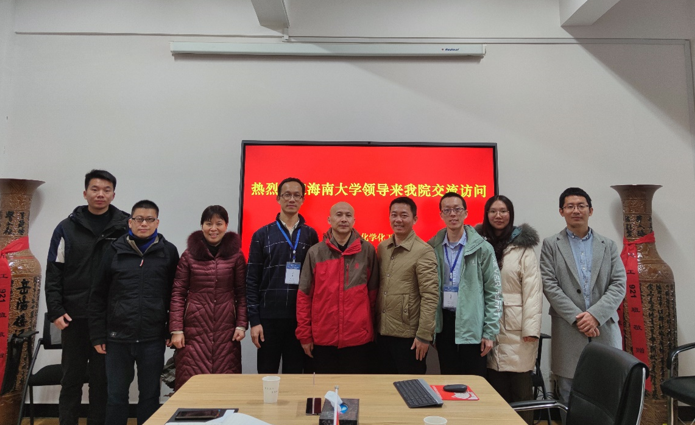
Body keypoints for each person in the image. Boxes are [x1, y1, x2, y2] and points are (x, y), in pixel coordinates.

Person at [45, 169, 129, 425]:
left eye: (106, 190)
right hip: (74, 316)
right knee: (71, 380)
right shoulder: (66, 228)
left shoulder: (125, 227)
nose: (100, 194)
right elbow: (54, 271)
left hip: (109, 318)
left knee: (102, 381)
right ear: (85, 193)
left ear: (113, 195)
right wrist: (56, 310)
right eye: (95, 189)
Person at [89, 200, 179, 425]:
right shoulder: (113, 250)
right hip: (118, 338)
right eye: (139, 219)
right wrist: (98, 335)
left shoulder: (168, 252)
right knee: (116, 396)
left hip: (152, 337)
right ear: (130, 222)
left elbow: (175, 295)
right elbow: (98, 295)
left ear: (157, 222)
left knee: (150, 395)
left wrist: (171, 328)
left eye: (149, 219)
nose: (144, 224)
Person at [540, 187, 626, 408]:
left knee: (608, 394)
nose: (576, 210)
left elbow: (618, 284)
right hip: (569, 329)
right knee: (569, 394)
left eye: (581, 206)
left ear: (591, 210)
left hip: (604, 328)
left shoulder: (608, 245)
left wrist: (595, 316)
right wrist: (579, 319)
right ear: (561, 211)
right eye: (570, 206)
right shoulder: (551, 245)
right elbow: (549, 286)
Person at [476, 195, 542, 425]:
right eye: (493, 211)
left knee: (521, 390)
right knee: (495, 389)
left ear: (510, 214)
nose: (498, 216)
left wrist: (531, 329)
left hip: (517, 329)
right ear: (486, 214)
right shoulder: (477, 244)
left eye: (503, 211)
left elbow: (533, 291)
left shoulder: (524, 249)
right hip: (487, 325)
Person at [169, 205, 247, 390]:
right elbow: (178, 293)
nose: (213, 228)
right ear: (201, 225)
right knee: (191, 384)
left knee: (225, 385)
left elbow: (242, 293)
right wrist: (176, 329)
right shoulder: (189, 256)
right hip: (193, 331)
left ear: (226, 225)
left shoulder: (236, 256)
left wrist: (241, 325)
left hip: (226, 331)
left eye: (219, 223)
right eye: (208, 223)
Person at [246, 177, 319, 373]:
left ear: (303, 200)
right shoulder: (262, 235)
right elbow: (251, 280)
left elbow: (315, 281)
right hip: (268, 319)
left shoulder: (311, 235)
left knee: (295, 377)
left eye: (297, 195)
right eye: (287, 195)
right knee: (266, 374)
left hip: (299, 319)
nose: (292, 199)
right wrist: (255, 321)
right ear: (278, 198)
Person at [296, 202, 379, 373]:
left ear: (354, 220)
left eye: (348, 215)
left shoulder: (367, 251)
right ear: (329, 219)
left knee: (355, 388)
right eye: (339, 215)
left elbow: (373, 296)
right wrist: (304, 335)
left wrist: (371, 331)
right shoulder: (315, 252)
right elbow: (304, 297)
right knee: (323, 388)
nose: (343, 219)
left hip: (358, 339)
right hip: (323, 339)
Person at [427, 192, 501, 377]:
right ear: (441, 214)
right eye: (447, 210)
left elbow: (494, 292)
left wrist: (489, 333)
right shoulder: (432, 247)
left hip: (472, 322)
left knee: (474, 380)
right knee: (448, 378)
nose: (453, 214)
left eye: (457, 209)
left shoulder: (483, 248)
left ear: (466, 213)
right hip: (444, 322)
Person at [376, 196, 439, 374]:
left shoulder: (423, 251)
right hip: (382, 333)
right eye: (394, 215)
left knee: (410, 387)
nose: (398, 220)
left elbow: (430, 295)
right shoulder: (382, 248)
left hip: (409, 338)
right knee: (383, 387)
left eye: (404, 215)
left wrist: (424, 335)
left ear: (414, 219)